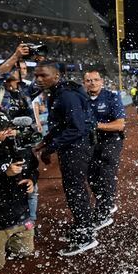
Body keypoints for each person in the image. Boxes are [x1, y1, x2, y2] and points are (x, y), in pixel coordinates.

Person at [33, 61, 100, 256]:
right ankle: (85, 227)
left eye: (43, 75)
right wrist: (46, 141)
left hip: (76, 149)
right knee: (76, 189)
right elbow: (61, 125)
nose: (38, 79)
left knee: (75, 190)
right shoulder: (59, 92)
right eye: (36, 75)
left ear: (56, 76)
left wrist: (50, 148)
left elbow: (76, 128)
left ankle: (86, 236)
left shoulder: (67, 95)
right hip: (73, 147)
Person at [0, 113, 38, 274]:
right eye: (2, 129)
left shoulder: (20, 150)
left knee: (25, 252)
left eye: (10, 128)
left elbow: (32, 169)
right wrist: (4, 175)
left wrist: (31, 180)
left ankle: (9, 240)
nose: (8, 131)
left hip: (18, 216)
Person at [84, 70, 125, 226]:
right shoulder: (82, 99)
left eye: (95, 79)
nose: (92, 83)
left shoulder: (111, 97)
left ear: (101, 81)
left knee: (106, 174)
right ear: (84, 83)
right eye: (89, 80)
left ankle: (104, 212)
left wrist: (97, 125)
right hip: (91, 142)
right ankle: (106, 202)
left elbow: (120, 125)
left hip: (111, 141)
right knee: (92, 176)